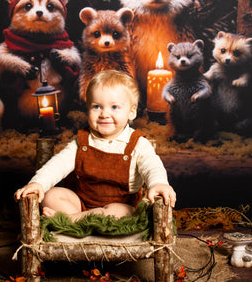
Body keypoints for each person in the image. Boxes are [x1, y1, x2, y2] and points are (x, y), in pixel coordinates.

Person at [14, 70, 177, 221]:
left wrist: (158, 183)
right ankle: (79, 217)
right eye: (97, 106)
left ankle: (73, 220)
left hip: (119, 206)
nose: (104, 114)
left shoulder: (138, 144)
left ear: (131, 112)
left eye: (114, 107)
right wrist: (38, 183)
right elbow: (58, 164)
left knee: (120, 212)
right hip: (80, 202)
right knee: (51, 196)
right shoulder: (83, 141)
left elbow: (152, 166)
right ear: (88, 109)